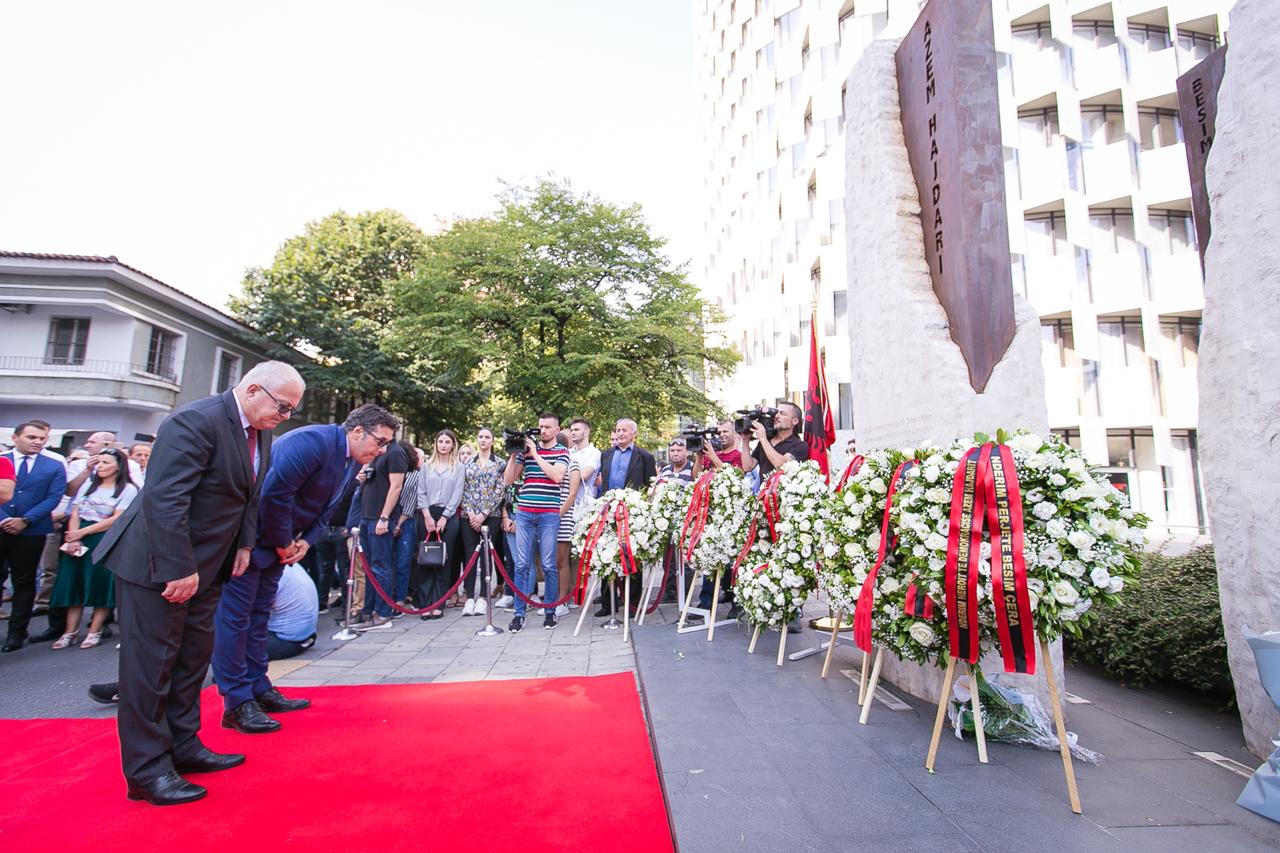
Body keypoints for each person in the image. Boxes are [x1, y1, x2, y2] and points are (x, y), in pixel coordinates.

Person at [94, 360, 304, 806]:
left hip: (211, 566)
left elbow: (249, 495)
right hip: (158, 566)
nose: (284, 417)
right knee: (150, 671)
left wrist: (244, 545)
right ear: (253, 390)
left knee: (190, 663)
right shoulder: (195, 420)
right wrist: (177, 566)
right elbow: (166, 498)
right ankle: (148, 771)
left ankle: (184, 747)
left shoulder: (260, 430)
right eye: (282, 407)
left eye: (290, 412)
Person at [213, 403, 397, 734]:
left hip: (279, 547)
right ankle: (237, 702)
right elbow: (274, 496)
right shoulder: (312, 442)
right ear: (357, 432)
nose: (381, 450)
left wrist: (307, 541)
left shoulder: (348, 460)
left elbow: (326, 509)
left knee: (258, 619)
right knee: (235, 619)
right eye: (380, 441)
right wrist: (285, 540)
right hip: (251, 542)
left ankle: (258, 687)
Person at [49, 448, 138, 649]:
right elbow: (75, 512)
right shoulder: (88, 484)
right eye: (99, 462)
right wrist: (74, 537)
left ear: (119, 466)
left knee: (100, 585)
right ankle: (69, 631)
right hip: (78, 537)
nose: (101, 467)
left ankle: (95, 630)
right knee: (75, 583)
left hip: (103, 538)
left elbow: (118, 518)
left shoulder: (128, 489)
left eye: (106, 463)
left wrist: (84, 532)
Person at [2, 420, 68, 652]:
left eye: (41, 439)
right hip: (1, 525)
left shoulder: (53, 465)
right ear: (15, 438)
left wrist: (26, 520)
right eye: (32, 437)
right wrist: (4, 519)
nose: (38, 442)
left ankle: (16, 634)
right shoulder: (2, 461)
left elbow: (53, 497)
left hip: (31, 531)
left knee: (24, 582)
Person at [504, 412, 568, 632]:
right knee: (521, 565)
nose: (543, 431)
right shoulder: (526, 451)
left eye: (548, 427)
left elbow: (557, 477)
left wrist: (536, 455)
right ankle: (519, 614)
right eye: (541, 427)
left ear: (557, 429)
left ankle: (550, 612)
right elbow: (508, 480)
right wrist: (514, 453)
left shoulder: (562, 451)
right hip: (524, 512)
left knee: (549, 565)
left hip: (549, 514)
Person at [595, 418, 656, 616]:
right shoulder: (606, 454)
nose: (620, 433)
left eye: (624, 430)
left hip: (632, 513)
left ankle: (632, 604)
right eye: (618, 429)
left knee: (632, 557)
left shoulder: (645, 456)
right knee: (606, 554)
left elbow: (648, 486)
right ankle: (607, 604)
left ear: (634, 433)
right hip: (608, 511)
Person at [354, 416, 407, 630]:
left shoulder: (395, 453)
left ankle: (383, 612)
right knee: (368, 568)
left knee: (381, 566)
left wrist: (385, 517)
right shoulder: (376, 452)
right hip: (366, 516)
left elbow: (396, 487)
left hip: (381, 517)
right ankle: (367, 609)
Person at [416, 430, 465, 620]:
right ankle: (425, 604)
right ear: (436, 444)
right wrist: (427, 516)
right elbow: (421, 492)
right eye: (440, 441)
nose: (443, 445)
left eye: (447, 442)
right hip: (427, 514)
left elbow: (457, 493)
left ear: (453, 444)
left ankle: (438, 603)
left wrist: (445, 517)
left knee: (444, 559)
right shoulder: (427, 466)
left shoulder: (458, 467)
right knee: (426, 559)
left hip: (449, 516)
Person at [459, 428, 505, 616]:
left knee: (487, 554)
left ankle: (484, 597)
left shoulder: (500, 463)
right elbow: (462, 489)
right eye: (480, 437)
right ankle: (469, 596)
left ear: (492, 441)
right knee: (470, 555)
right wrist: (471, 513)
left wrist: (484, 513)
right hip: (468, 515)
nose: (483, 440)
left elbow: (500, 489)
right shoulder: (467, 463)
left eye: (487, 437)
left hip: (491, 515)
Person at [739, 401, 809, 479]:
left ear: (794, 421)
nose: (776, 416)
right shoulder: (766, 441)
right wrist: (745, 440)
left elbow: (782, 466)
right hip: (762, 490)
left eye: (782, 413)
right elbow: (748, 467)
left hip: (781, 490)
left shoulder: (800, 445)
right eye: (776, 412)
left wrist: (763, 438)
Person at [554, 430, 582, 617]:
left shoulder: (573, 463)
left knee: (561, 560)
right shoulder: (549, 462)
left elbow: (572, 494)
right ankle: (556, 597)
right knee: (552, 562)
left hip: (563, 517)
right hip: (547, 515)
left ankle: (562, 600)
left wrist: (558, 515)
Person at [265, 562, 318, 660]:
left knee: (232, 643)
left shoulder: (268, 571)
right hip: (306, 636)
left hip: (284, 639)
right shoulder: (288, 563)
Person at [391, 439, 421, 614]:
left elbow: (410, 504)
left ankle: (400, 599)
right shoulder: (390, 472)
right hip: (389, 520)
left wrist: (399, 523)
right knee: (389, 563)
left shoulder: (414, 475)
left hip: (406, 522)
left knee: (403, 563)